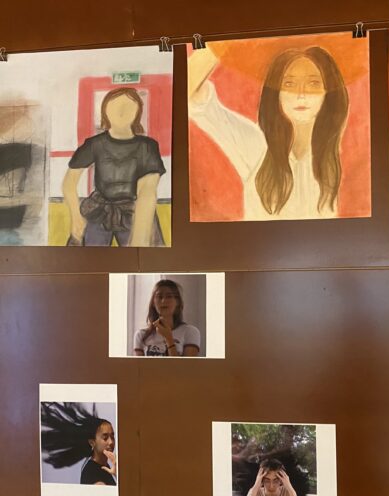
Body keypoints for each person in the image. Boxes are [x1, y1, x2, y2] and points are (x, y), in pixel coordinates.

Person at [189, 44, 349, 221]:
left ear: (328, 92)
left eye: (313, 83)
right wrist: (219, 42)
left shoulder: (341, 155)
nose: (301, 94)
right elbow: (188, 92)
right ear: (276, 94)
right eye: (289, 84)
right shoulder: (257, 145)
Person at [62, 87, 166, 246]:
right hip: (98, 210)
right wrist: (76, 217)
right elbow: (69, 182)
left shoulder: (147, 146)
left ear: (138, 111)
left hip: (133, 211)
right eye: (115, 106)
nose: (121, 111)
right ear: (105, 110)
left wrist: (140, 236)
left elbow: (147, 191)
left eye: (129, 106)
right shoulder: (94, 144)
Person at [40, 402, 117, 486]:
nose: (111, 442)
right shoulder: (92, 473)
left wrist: (117, 474)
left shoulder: (103, 465)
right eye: (105, 438)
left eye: (112, 437)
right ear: (92, 443)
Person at [133, 279, 201, 357]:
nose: (163, 301)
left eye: (169, 296)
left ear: (177, 302)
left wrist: (168, 338)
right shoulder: (141, 335)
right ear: (153, 302)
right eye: (159, 296)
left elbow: (187, 365)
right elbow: (139, 365)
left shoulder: (190, 332)